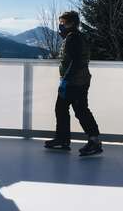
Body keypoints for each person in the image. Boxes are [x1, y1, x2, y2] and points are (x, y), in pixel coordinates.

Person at [44, 11, 102, 156]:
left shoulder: (73, 39)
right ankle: (63, 139)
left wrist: (65, 80)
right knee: (63, 109)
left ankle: (93, 141)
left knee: (79, 110)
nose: (60, 26)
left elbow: (75, 62)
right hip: (78, 80)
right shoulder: (75, 37)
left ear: (71, 23)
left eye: (62, 23)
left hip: (75, 82)